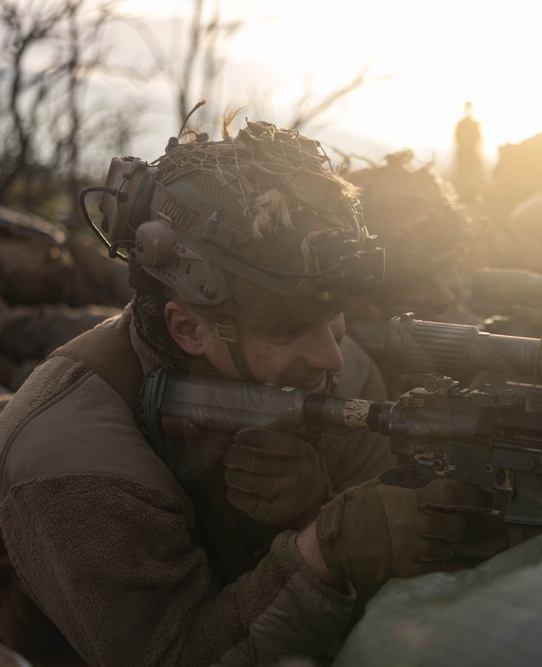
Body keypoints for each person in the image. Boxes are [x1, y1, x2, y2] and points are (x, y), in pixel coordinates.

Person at [0, 120, 493, 666]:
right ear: (188, 328)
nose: (331, 355)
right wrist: (320, 550)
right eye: (285, 330)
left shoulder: (334, 365)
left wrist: (315, 504)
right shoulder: (74, 463)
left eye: (333, 317)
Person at [343, 151, 478, 386]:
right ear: (361, 296)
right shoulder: (346, 371)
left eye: (451, 266)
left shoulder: (473, 329)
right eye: (417, 280)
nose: (445, 295)